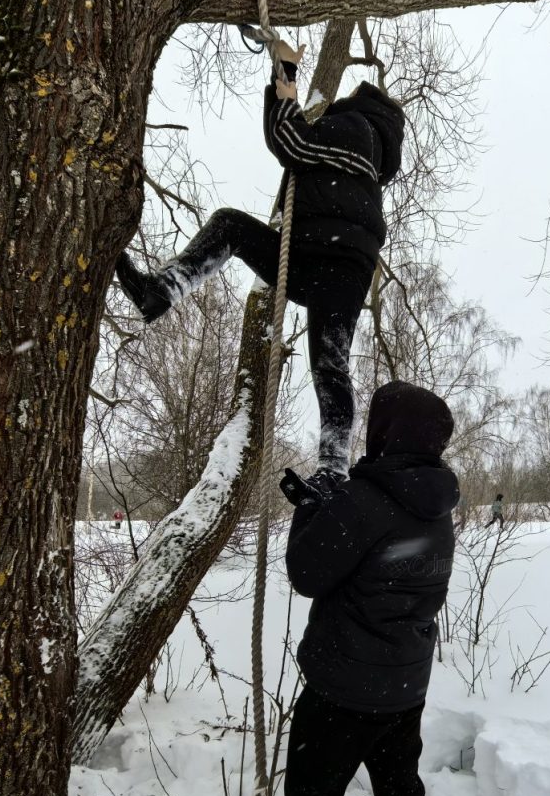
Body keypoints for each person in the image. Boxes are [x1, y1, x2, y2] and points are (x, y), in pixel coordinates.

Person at [277, 380, 501, 796]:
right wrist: (329, 507)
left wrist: (313, 508)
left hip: (340, 694)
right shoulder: (437, 507)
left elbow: (305, 573)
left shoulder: (364, 500)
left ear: (384, 433)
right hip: (402, 692)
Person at [113, 40, 405, 489]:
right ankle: (161, 291)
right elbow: (295, 142)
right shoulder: (372, 150)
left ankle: (333, 469)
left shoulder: (358, 128)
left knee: (330, 362)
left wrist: (285, 71)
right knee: (327, 357)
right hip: (323, 256)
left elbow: (289, 141)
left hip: (333, 259)